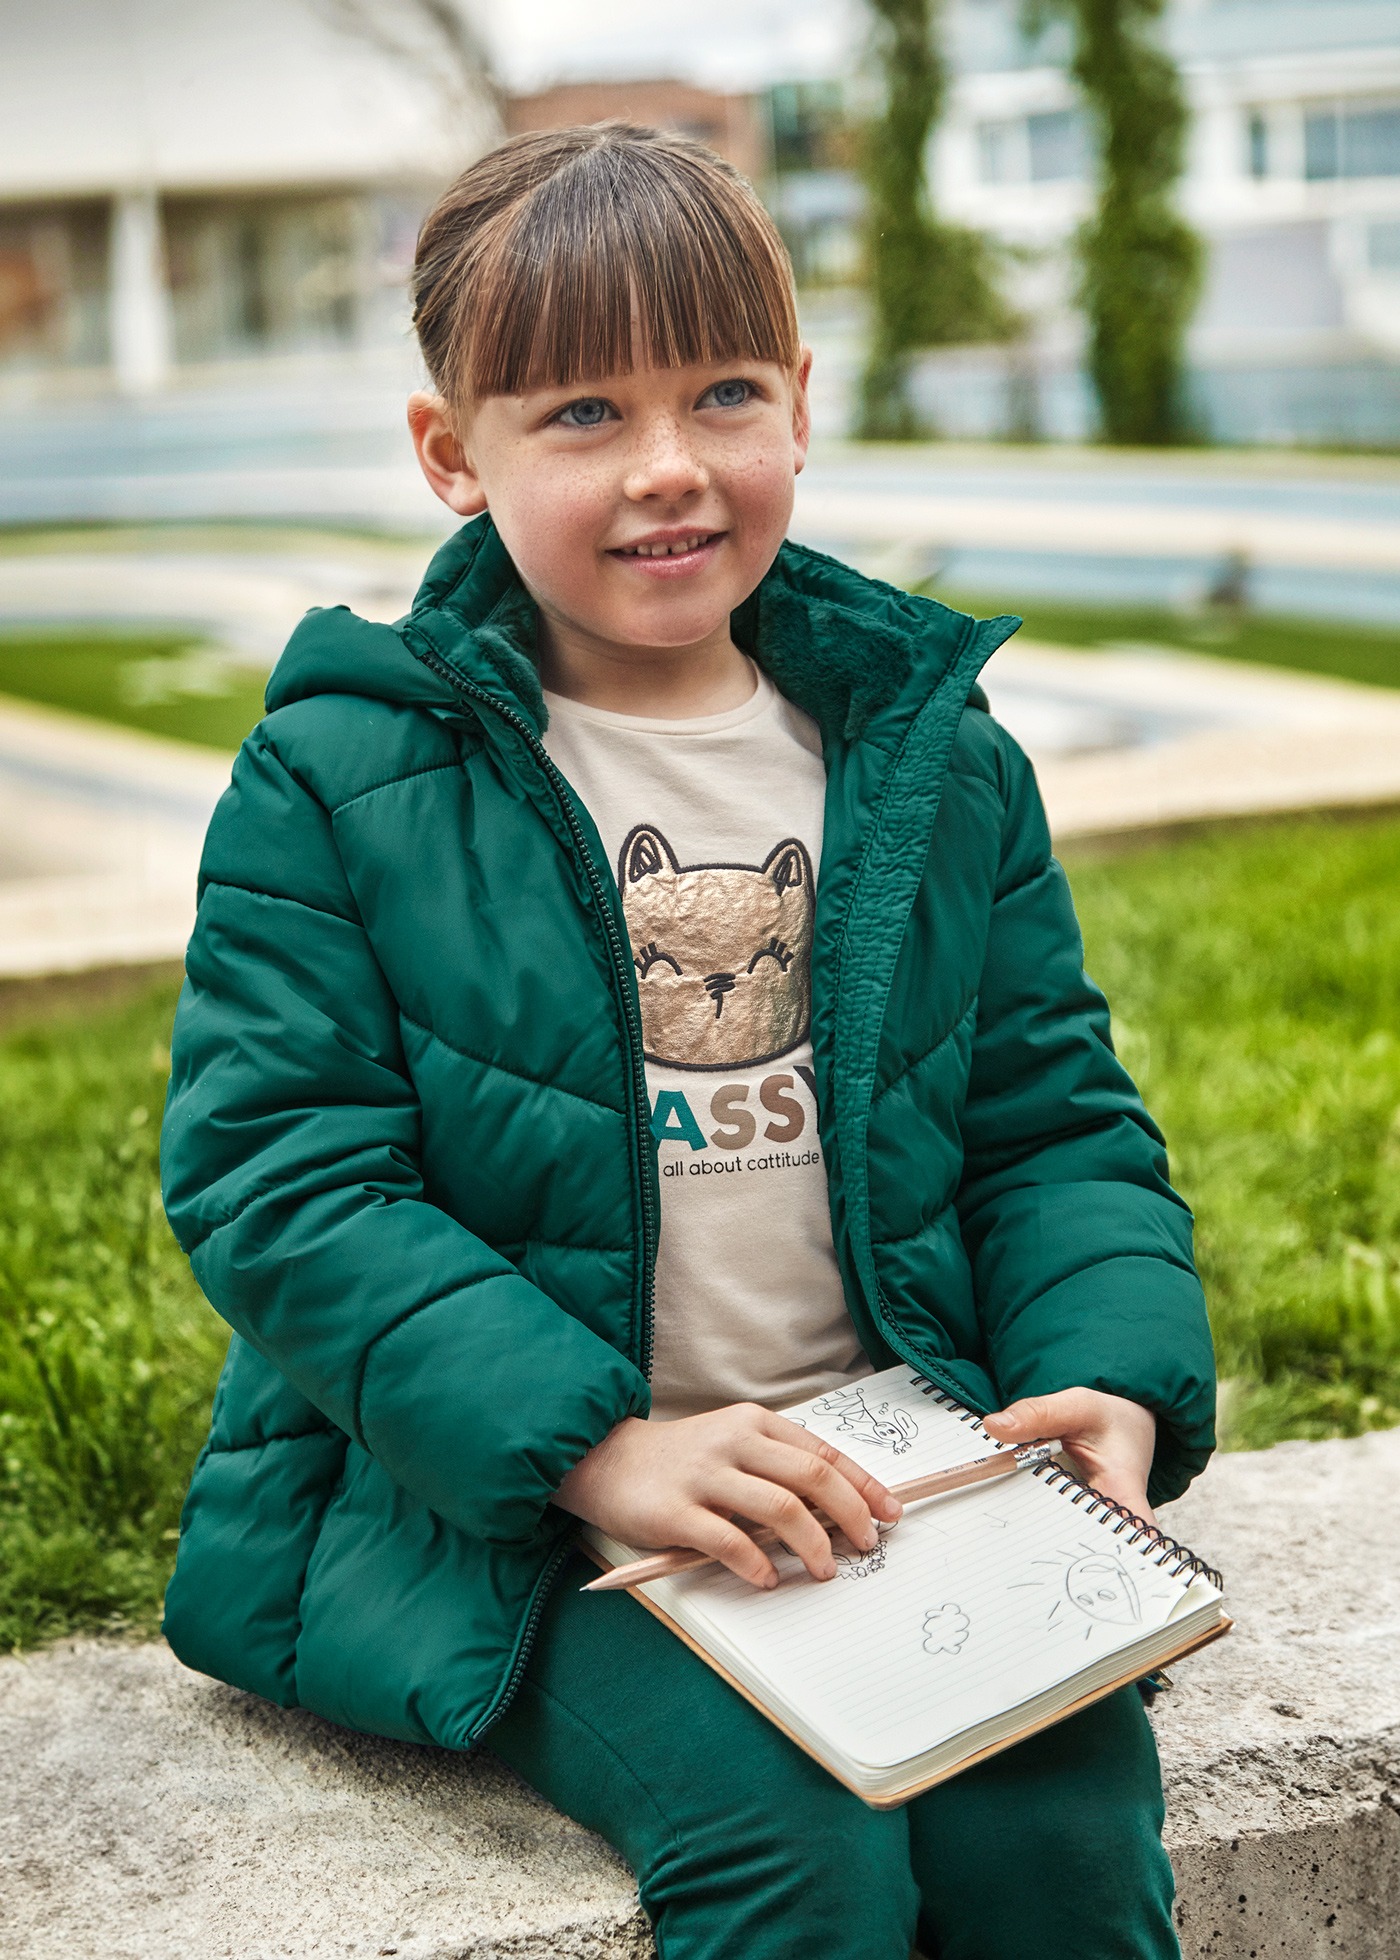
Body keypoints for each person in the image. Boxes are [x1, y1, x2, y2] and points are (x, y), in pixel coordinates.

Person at [160, 123, 1216, 1960]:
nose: (668, 470)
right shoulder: (341, 775)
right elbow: (283, 1179)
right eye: (579, 413)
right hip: (533, 1522)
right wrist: (598, 1448)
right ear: (450, 457)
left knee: (1064, 1840)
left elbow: (1053, 1128)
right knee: (791, 1854)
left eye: (722, 391)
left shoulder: (936, 763)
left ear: (799, 404)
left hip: (906, 1484)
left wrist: (1105, 1376)